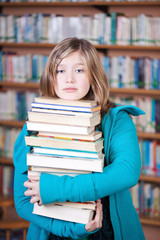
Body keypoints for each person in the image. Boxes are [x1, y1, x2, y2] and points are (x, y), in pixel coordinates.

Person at [13, 37, 145, 240]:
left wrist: (56, 188)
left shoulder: (117, 119)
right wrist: (71, 230)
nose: (69, 79)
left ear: (93, 74)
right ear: (51, 76)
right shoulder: (33, 126)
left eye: (79, 70)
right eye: (60, 70)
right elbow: (23, 202)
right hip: (51, 232)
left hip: (107, 230)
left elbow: (127, 172)